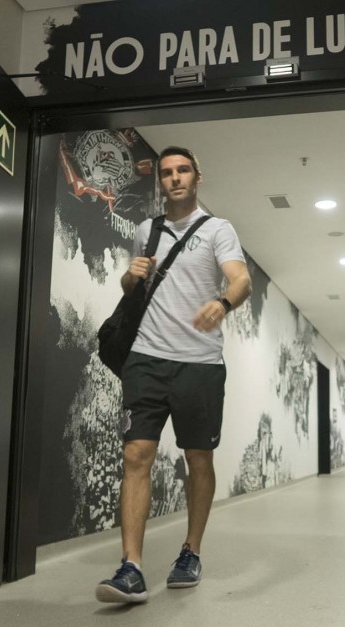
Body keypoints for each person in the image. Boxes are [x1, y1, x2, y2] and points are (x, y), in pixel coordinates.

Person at [95, 146, 252, 604]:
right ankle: (131, 567)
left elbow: (241, 279)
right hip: (144, 357)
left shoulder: (218, 229)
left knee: (197, 459)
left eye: (183, 170)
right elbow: (132, 288)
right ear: (160, 181)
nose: (175, 178)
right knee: (136, 455)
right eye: (166, 173)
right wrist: (131, 276)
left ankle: (191, 551)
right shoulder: (148, 229)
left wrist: (222, 303)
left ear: (197, 177)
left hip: (199, 363)